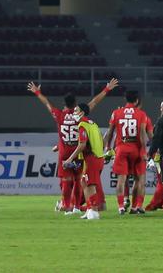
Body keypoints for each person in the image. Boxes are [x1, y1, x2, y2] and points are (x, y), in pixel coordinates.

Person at [26, 78, 118, 214]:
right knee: (79, 180)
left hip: (65, 152)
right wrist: (107, 89)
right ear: (75, 105)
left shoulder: (59, 115)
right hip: (78, 151)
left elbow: (47, 104)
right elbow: (94, 102)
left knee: (66, 181)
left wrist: (37, 92)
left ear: (64, 104)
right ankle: (76, 207)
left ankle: (67, 206)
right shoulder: (80, 116)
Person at [104, 90, 153, 215]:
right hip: (136, 148)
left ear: (126, 99)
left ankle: (121, 206)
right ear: (137, 101)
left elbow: (110, 132)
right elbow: (142, 134)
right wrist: (144, 150)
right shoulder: (141, 114)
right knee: (140, 179)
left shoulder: (116, 113)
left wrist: (108, 147)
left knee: (121, 178)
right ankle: (137, 206)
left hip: (121, 148)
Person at [62, 103, 106, 220]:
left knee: (90, 184)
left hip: (92, 158)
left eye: (76, 111)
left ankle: (94, 211)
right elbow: (101, 140)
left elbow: (82, 144)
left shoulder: (82, 125)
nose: (73, 113)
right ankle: (89, 209)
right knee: (84, 182)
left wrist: (70, 158)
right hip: (97, 157)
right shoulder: (93, 124)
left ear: (82, 112)